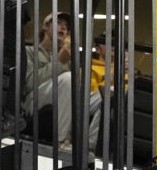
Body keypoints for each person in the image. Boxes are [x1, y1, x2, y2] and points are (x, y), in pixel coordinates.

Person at [22, 13, 101, 151]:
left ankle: (90, 145)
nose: (63, 27)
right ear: (46, 27)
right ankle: (61, 140)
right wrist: (59, 62)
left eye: (66, 26)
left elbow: (77, 90)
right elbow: (29, 83)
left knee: (105, 95)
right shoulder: (29, 51)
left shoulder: (70, 59)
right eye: (59, 23)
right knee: (68, 79)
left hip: (63, 98)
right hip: (35, 100)